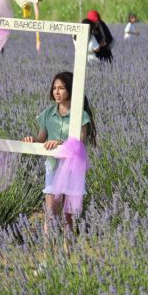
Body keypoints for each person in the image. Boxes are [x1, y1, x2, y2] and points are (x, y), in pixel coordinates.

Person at [22, 71, 96, 234]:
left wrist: (61, 144)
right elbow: (42, 139)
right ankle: (49, 253)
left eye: (61, 88)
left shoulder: (80, 116)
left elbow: (81, 142)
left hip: (71, 168)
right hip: (53, 166)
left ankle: (67, 252)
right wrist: (31, 140)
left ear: (70, 89)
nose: (56, 91)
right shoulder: (48, 113)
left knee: (68, 217)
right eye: (54, 88)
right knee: (50, 213)